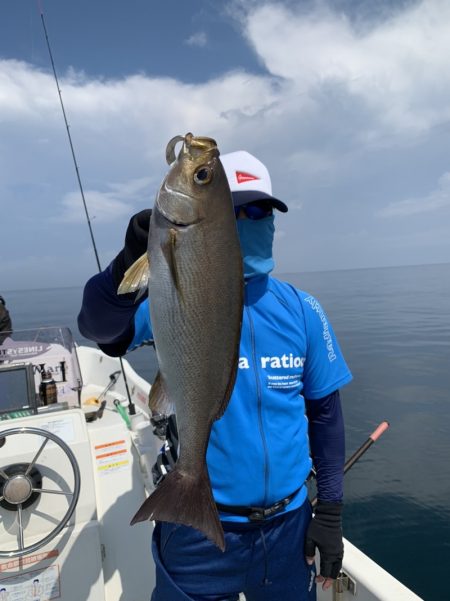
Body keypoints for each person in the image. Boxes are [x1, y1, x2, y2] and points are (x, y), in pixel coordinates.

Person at [78, 149, 352, 601]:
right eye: (238, 209)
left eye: (262, 209)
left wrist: (332, 512)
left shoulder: (303, 311)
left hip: (288, 528)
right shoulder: (172, 292)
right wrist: (129, 259)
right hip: (198, 530)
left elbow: (326, 415)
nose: (251, 219)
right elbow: (99, 327)